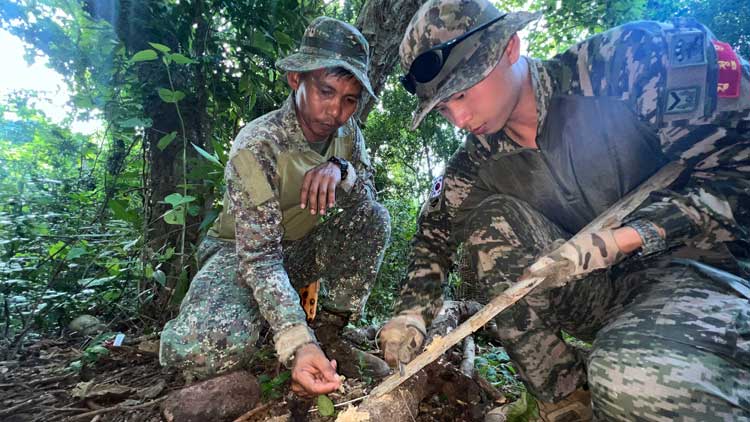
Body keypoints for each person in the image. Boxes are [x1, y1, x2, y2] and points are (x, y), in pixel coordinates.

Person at [379, 0, 750, 420]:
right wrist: (409, 316)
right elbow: (433, 239)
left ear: (510, 48)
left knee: (637, 382)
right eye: (444, 108)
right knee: (490, 225)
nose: (460, 118)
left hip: (703, 275)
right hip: (601, 296)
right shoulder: (475, 165)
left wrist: (625, 238)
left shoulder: (632, 62)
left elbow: (739, 173)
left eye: (463, 93)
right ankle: (566, 400)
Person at [159, 16, 391, 398]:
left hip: (298, 252)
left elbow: (366, 196)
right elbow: (260, 257)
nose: (335, 112)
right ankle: (209, 322)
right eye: (326, 92)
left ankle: (329, 334)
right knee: (205, 352)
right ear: (296, 80)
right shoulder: (256, 146)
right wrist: (296, 340)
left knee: (373, 218)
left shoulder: (348, 135)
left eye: (350, 100)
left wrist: (341, 171)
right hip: (239, 255)